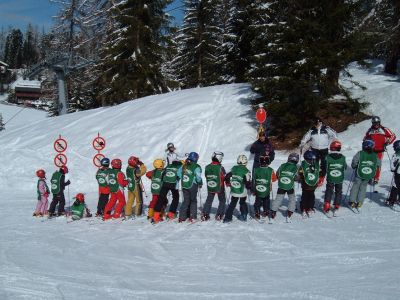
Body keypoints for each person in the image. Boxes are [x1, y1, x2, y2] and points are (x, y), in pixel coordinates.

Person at [300, 117, 337, 186]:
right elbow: (306, 136)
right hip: (315, 149)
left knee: (324, 163)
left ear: (320, 123)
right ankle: (314, 175)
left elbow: (334, 134)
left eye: (317, 123)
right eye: (315, 124)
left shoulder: (326, 128)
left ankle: (321, 177)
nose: (316, 125)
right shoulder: (312, 130)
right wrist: (302, 143)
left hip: (324, 149)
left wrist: (334, 141)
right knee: (314, 163)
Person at [348, 140, 380, 210]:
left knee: (356, 186)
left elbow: (354, 161)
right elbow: (378, 163)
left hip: (359, 173)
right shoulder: (374, 155)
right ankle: (360, 202)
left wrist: (354, 166)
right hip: (368, 174)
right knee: (363, 187)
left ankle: (352, 201)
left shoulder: (360, 153)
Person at [363, 116, 396, 184]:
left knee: (377, 164)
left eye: (377, 123)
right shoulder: (370, 130)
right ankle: (370, 177)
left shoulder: (384, 129)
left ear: (379, 122)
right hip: (371, 150)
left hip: (380, 150)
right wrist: (366, 145)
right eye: (374, 123)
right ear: (372, 123)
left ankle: (376, 179)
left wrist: (387, 142)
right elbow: (365, 138)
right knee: (370, 163)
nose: (376, 124)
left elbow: (393, 136)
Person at [270, 153, 299, 222]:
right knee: (292, 199)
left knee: (278, 199)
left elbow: (277, 174)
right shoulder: (296, 167)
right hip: (290, 186)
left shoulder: (282, 165)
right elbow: (297, 177)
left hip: (281, 185)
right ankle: (290, 212)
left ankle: (273, 212)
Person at [152, 158, 183, 223]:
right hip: (173, 184)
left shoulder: (169, 166)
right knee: (175, 198)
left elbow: (163, 173)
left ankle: (156, 217)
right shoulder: (180, 166)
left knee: (160, 198)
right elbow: (180, 175)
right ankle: (171, 214)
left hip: (165, 183)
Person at [223, 154, 252, 223]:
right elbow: (248, 181)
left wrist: (228, 183)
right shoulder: (246, 171)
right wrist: (249, 187)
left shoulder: (233, 168)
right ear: (246, 162)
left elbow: (227, 176)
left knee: (233, 203)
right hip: (243, 190)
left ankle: (227, 218)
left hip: (234, 189)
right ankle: (244, 215)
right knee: (242, 202)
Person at [201, 151, 227, 221]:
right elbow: (224, 176)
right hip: (219, 186)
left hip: (210, 185)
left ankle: (205, 214)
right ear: (219, 158)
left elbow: (206, 175)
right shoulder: (220, 167)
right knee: (222, 200)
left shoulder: (207, 167)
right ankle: (219, 214)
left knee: (209, 200)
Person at [178, 152, 203, 222]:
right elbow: (198, 177)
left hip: (184, 185)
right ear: (195, 158)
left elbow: (178, 173)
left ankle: (182, 217)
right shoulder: (196, 166)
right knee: (193, 201)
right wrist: (200, 182)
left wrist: (183, 178)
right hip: (193, 185)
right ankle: (192, 217)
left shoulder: (184, 165)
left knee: (186, 201)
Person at [323, 140, 347, 215]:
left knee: (329, 191)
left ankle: (327, 204)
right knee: (338, 191)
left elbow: (325, 167)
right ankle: (337, 205)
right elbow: (345, 167)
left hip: (330, 177)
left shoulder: (327, 157)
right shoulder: (343, 157)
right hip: (339, 178)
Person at [252, 154, 277, 219]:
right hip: (267, 190)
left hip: (258, 189)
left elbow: (254, 179)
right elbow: (274, 179)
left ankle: (257, 211)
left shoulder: (256, 170)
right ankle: (266, 210)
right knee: (266, 201)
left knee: (258, 201)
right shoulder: (270, 170)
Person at [299, 150, 320, 217]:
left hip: (313, 185)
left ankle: (310, 207)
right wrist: (301, 175)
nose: (312, 161)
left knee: (311, 196)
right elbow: (300, 172)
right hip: (305, 184)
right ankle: (304, 208)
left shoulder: (316, 165)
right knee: (306, 196)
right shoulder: (303, 165)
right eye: (311, 159)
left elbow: (318, 172)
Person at [387, 140, 400, 206]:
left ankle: (392, 199)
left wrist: (393, 169)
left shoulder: (395, 155)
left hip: (398, 172)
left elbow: (392, 166)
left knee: (395, 185)